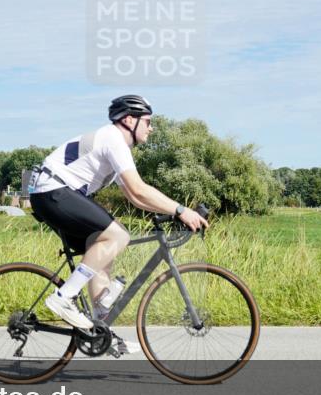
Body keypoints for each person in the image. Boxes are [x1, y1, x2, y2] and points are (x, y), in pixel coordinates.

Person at [29, 95, 208, 336]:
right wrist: (180, 210)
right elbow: (139, 189)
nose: (152, 128)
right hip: (53, 191)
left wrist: (171, 212)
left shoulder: (115, 144)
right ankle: (63, 297)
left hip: (56, 193)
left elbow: (134, 197)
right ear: (128, 120)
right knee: (118, 236)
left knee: (101, 249)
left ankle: (100, 331)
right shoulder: (113, 139)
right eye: (147, 121)